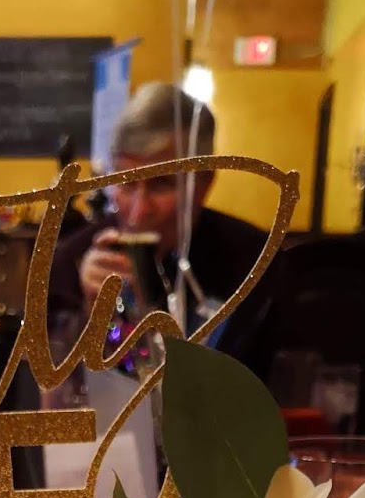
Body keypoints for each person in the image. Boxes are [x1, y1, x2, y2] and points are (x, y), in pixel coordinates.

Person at [47, 84, 267, 340]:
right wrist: (87, 318)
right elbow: (49, 359)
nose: (139, 212)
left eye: (162, 185)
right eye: (126, 183)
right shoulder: (72, 262)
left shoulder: (257, 263)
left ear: (204, 183)